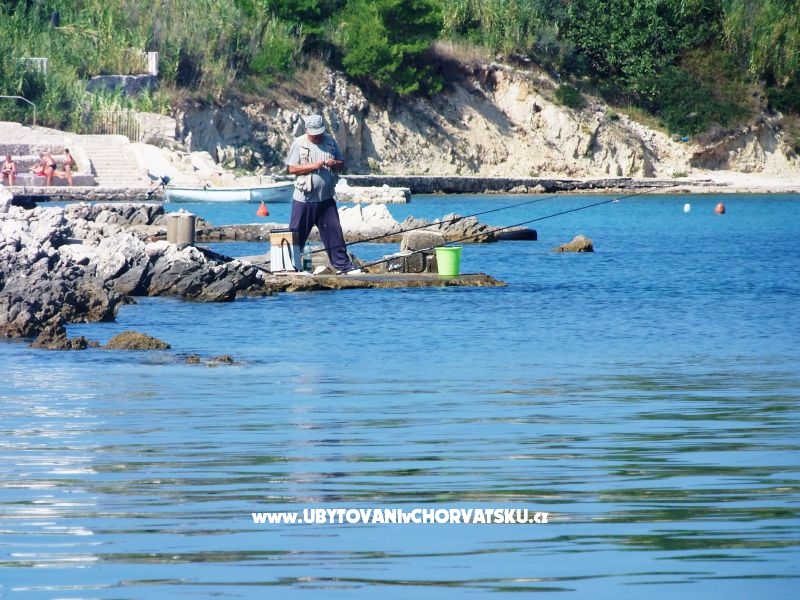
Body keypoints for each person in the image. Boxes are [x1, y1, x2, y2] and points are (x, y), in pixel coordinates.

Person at [285, 114, 361, 274]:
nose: (317, 136)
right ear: (306, 130)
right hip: (304, 200)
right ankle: (289, 266)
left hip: (326, 200)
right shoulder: (299, 143)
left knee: (334, 232)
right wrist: (314, 166)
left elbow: (342, 164)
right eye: (313, 133)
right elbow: (291, 168)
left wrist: (335, 163)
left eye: (319, 132)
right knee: (296, 234)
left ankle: (344, 267)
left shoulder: (330, 142)